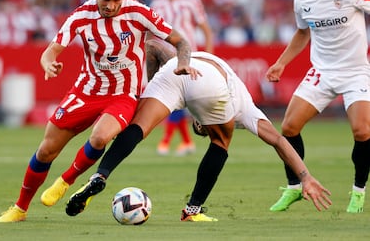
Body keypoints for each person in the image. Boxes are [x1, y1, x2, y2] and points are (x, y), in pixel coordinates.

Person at [0, 0, 198, 223]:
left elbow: (181, 41)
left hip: (123, 93)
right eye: (105, 0)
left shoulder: (139, 12)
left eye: (116, 0)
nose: (111, 6)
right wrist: (48, 63)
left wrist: (183, 62)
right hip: (86, 90)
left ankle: (66, 181)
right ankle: (20, 208)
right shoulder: (81, 16)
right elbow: (51, 51)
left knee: (101, 137)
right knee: (46, 150)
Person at [64, 38, 332, 222]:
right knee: (221, 143)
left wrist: (147, 84)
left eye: (199, 125)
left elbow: (153, 47)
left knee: (138, 128)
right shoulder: (246, 109)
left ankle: (102, 173)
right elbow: (278, 141)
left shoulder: (235, 109)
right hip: (207, 82)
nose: (200, 124)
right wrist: (305, 176)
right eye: (201, 125)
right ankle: (192, 209)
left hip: (179, 69)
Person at [265, 0, 370, 213]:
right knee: (288, 128)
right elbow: (302, 33)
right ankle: (294, 188)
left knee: (362, 130)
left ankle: (358, 192)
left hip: (355, 71)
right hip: (322, 72)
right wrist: (281, 63)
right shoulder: (302, 0)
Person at [151, 0, 214, 156]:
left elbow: (206, 30)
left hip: (189, 56)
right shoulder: (157, 5)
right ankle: (186, 141)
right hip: (165, 58)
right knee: (177, 99)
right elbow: (151, 33)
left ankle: (167, 141)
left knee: (182, 98)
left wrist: (209, 56)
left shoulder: (191, 2)